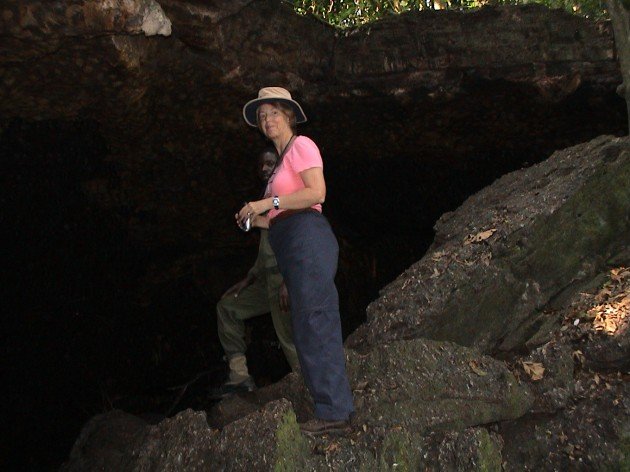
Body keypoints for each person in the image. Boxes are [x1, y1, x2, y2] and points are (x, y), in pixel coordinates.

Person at [237, 87, 354, 435]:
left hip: (308, 235)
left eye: (273, 112)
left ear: (288, 115)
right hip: (290, 242)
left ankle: (335, 412)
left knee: (315, 321)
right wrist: (249, 217)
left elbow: (316, 193)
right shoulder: (277, 169)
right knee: (305, 327)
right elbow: (274, 217)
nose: (267, 120)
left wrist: (265, 205)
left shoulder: (302, 146)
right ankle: (330, 407)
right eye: (262, 116)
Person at [210, 148, 299, 399]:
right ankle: (239, 377)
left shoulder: (288, 196)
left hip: (284, 279)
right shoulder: (266, 197)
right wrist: (248, 279)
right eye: (260, 165)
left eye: (269, 163)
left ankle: (310, 392)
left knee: (289, 340)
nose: (263, 168)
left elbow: (298, 239)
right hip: (266, 280)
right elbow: (266, 251)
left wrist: (289, 280)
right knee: (228, 307)